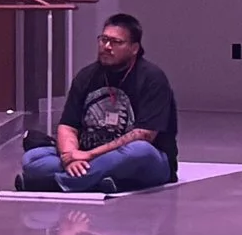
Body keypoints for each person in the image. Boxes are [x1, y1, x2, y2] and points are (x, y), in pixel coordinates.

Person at [19, 14, 177, 193]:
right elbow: (68, 126)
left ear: (134, 48)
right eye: (104, 40)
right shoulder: (86, 76)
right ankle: (97, 179)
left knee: (140, 151)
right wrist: (69, 157)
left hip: (143, 160)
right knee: (32, 158)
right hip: (90, 156)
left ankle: (57, 184)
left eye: (116, 42)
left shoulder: (152, 78)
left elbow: (144, 135)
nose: (107, 46)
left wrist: (89, 155)